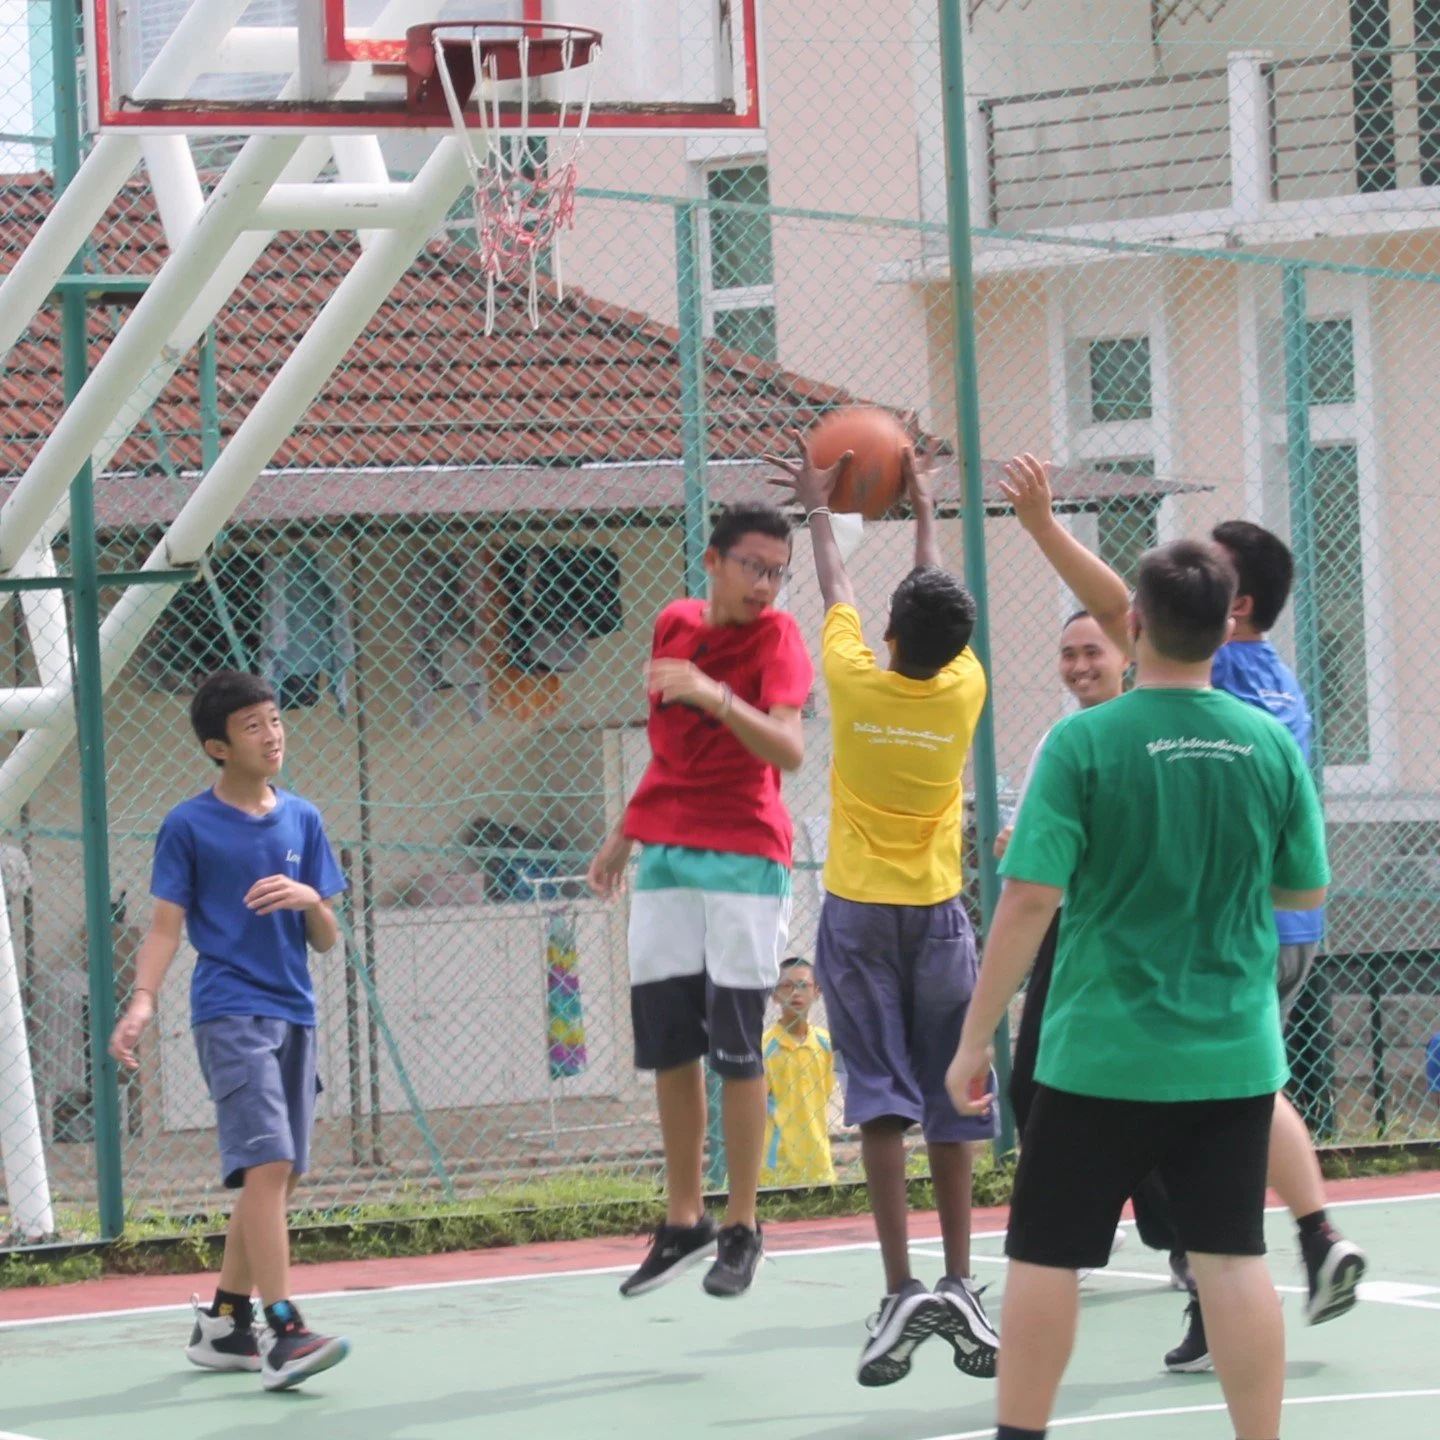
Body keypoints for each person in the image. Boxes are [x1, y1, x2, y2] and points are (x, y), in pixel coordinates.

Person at [948, 539, 1330, 1440]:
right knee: (1234, 1257)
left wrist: (974, 1040)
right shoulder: (1268, 744)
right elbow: (1303, 891)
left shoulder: (1085, 741)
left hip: (1101, 1051)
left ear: (1134, 623)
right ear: (1224, 626)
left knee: (1045, 1252)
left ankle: (1021, 1432)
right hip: (1232, 1054)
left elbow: (1032, 897)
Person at [768, 433, 999, 1390]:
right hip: (942, 918)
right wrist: (927, 506)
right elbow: (933, 596)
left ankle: (901, 1289)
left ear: (892, 639)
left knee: (880, 1107)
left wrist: (823, 505)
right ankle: (959, 1279)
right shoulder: (966, 689)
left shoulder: (858, 681)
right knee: (950, 1098)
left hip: (859, 922)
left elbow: (835, 588)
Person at [1155, 519, 1368, 1371]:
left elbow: (1120, 609)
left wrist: (1044, 527)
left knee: (1206, 1110)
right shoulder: (1283, 682)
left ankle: (1240, 1275)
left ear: (1233, 607)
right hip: (1293, 929)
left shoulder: (1218, 671)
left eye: (1206, 568)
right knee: (1248, 1092)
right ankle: (1312, 1239)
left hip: (1234, 928)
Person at [588, 501, 814, 1301]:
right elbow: (669, 752)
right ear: (713, 562)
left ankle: (743, 1225)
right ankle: (684, 1219)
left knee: (736, 1047)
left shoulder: (779, 639)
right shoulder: (673, 624)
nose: (766, 584)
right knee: (670, 1047)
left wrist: (715, 692)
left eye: (779, 572)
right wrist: (625, 830)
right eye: (753, 566)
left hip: (747, 858)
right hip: (667, 862)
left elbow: (787, 744)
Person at [107, 671, 350, 1393]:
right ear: (218, 746)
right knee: (267, 1166)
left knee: (281, 1178)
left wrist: (312, 898)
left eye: (275, 720)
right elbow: (163, 926)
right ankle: (286, 1329)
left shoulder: (303, 819)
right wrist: (143, 1000)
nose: (272, 735)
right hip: (228, 1010)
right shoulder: (188, 825)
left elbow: (327, 938)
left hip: (294, 1012)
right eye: (253, 726)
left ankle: (224, 1321)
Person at [997, 457, 1185, 1283]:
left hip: (1136, 932)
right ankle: (1088, 1226)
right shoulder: (1059, 742)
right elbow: (1037, 851)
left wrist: (1042, 525)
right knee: (1032, 1086)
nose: (1078, 665)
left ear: (1130, 654)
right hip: (1071, 933)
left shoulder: (1156, 727)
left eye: (1092, 652)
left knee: (1152, 1097)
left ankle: (1182, 1245)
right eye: (1067, 654)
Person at [759, 956, 838, 1187]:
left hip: (820, 1165)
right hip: (778, 1170)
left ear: (817, 992)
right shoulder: (765, 1048)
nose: (796, 992)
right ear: (774, 995)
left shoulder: (826, 1044)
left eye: (804, 985)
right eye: (787, 986)